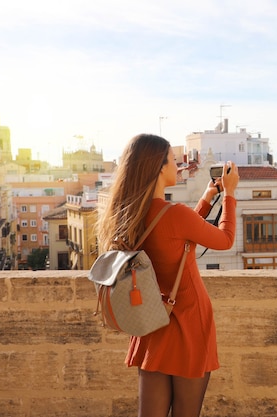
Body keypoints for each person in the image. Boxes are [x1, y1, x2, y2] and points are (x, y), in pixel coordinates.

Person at [96, 133, 239, 417]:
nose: (178, 166)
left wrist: (206, 200)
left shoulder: (129, 215)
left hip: (152, 320)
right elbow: (225, 239)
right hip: (187, 321)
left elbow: (176, 237)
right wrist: (230, 195)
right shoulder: (174, 214)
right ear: (159, 168)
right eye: (174, 161)